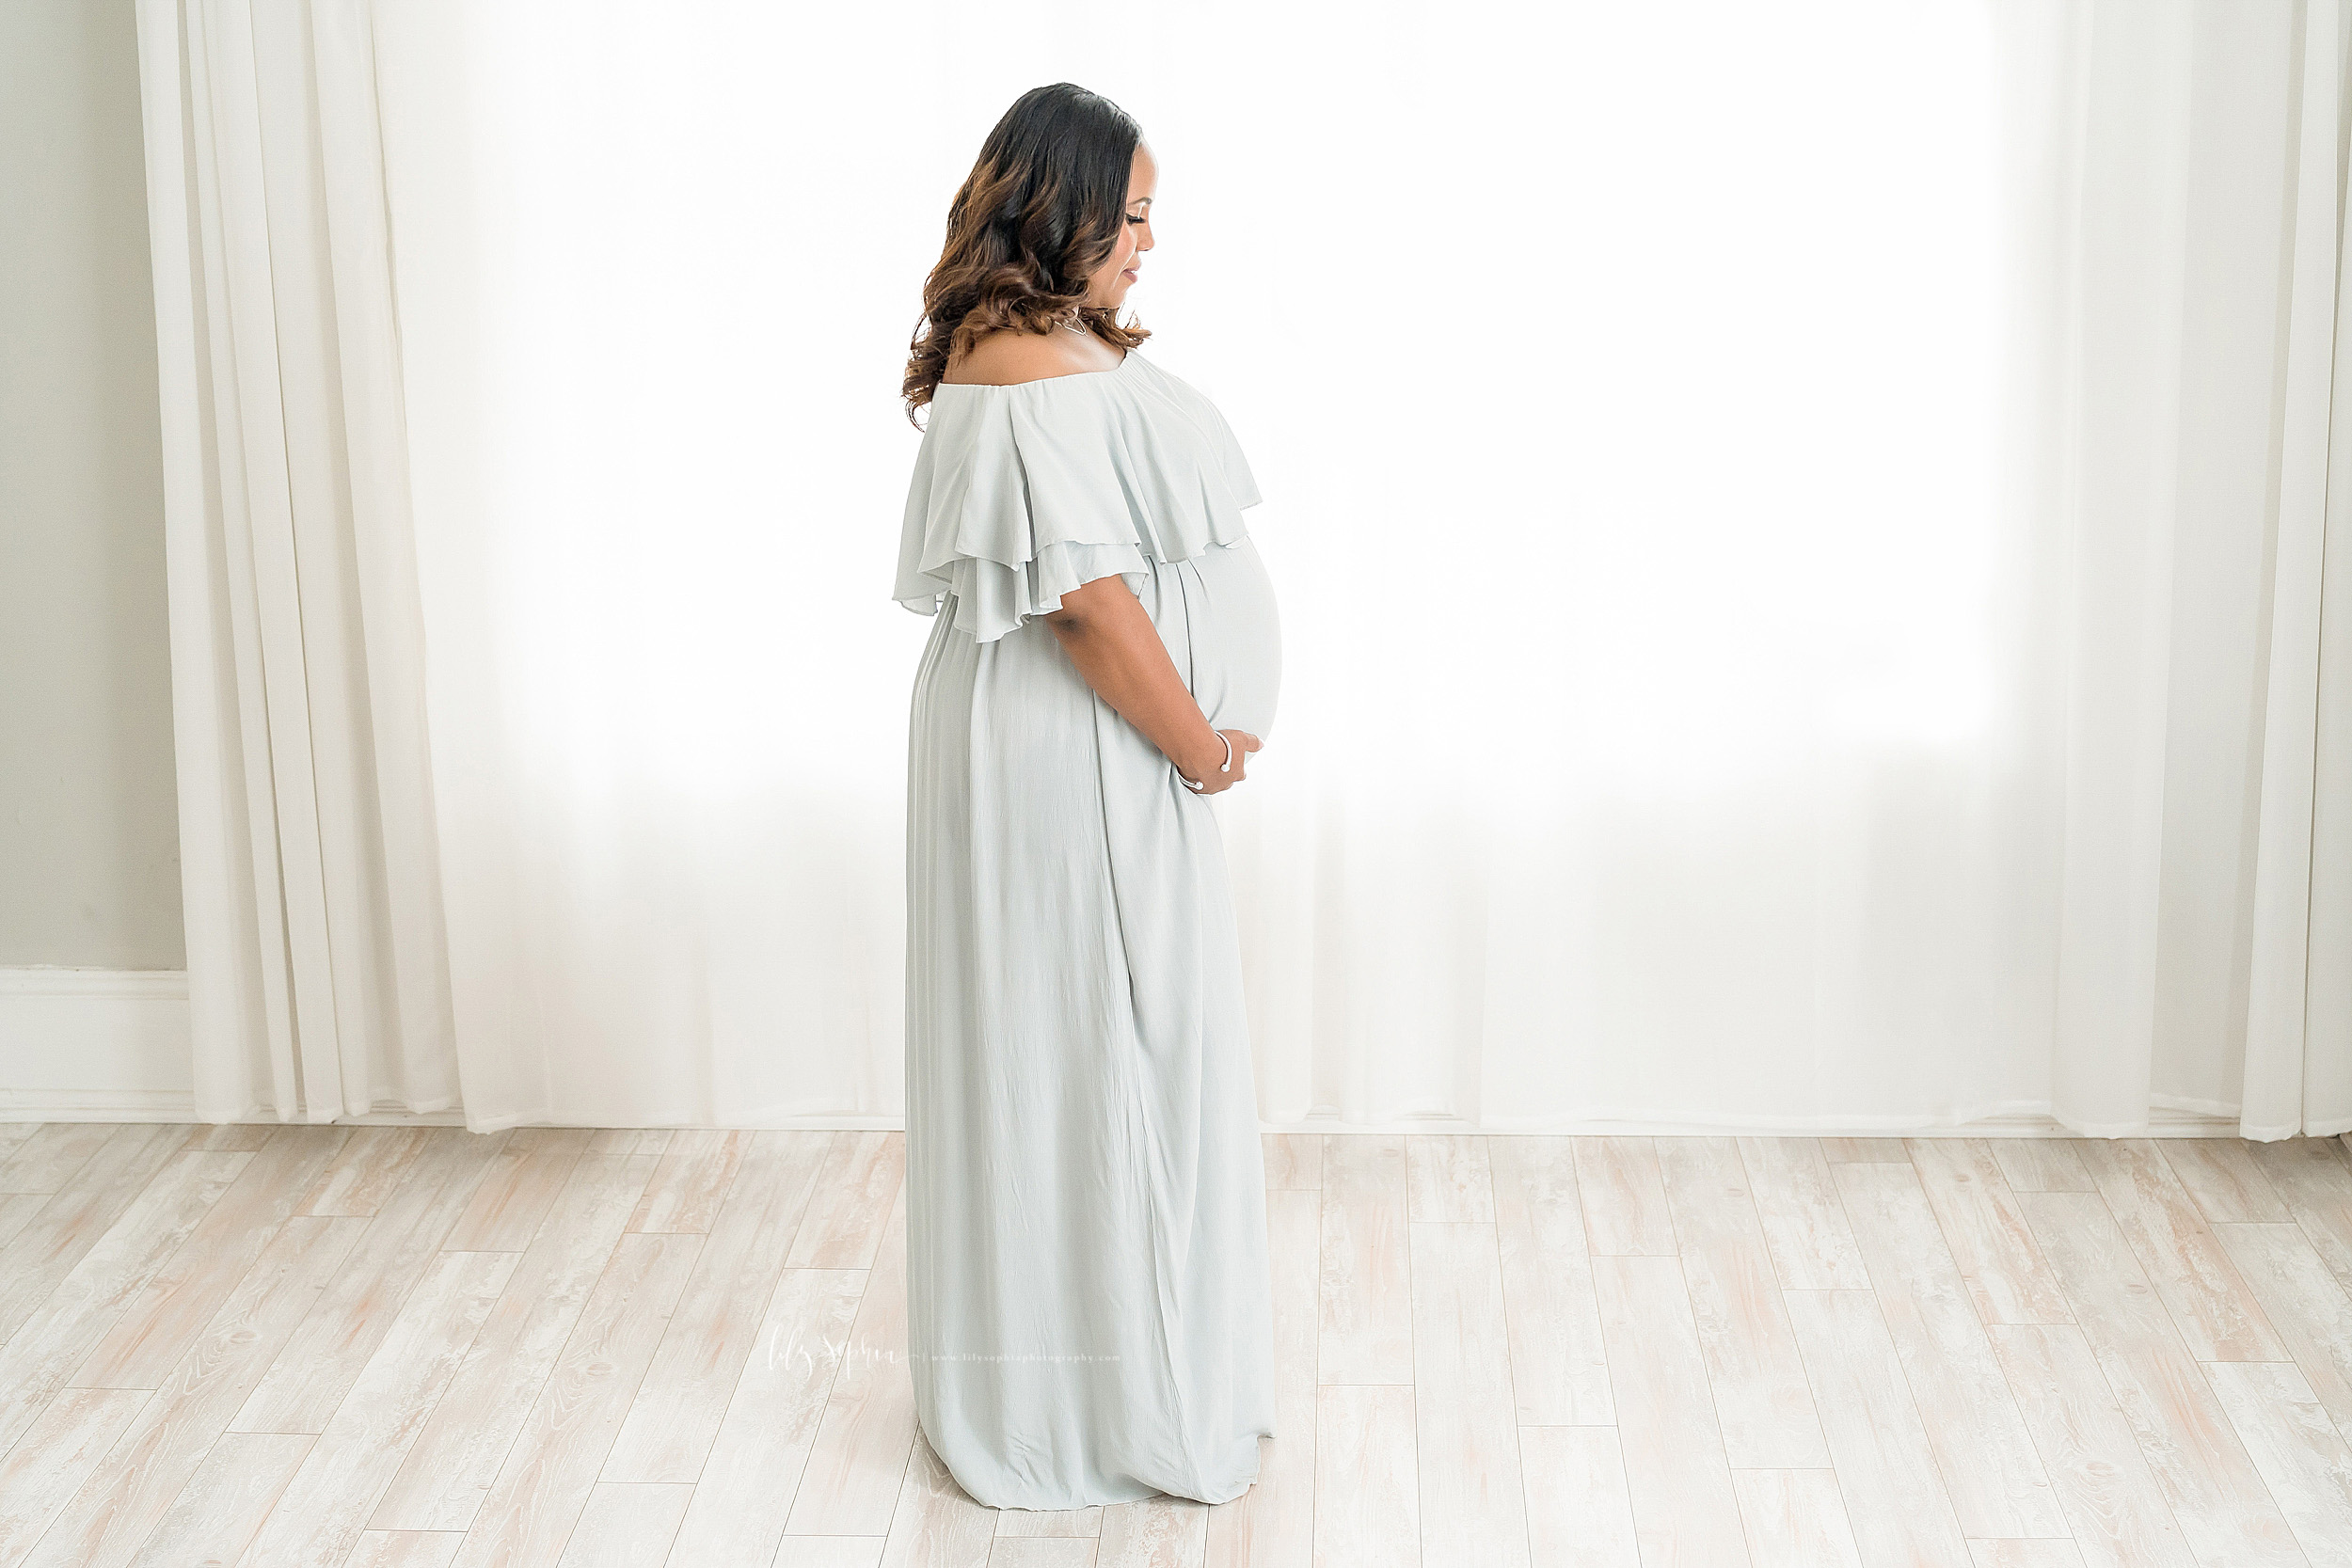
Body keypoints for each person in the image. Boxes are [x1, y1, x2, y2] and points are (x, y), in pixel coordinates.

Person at [891, 81, 1281, 1511]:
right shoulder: (1018, 373)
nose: (1147, 245)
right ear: (1056, 213)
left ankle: (1114, 1371)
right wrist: (1197, 742)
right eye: (1129, 218)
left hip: (1078, 746)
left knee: (1095, 1051)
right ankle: (1098, 1404)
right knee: (1100, 1052)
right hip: (1076, 747)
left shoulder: (1045, 349)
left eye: (1152, 218)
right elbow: (1089, 610)